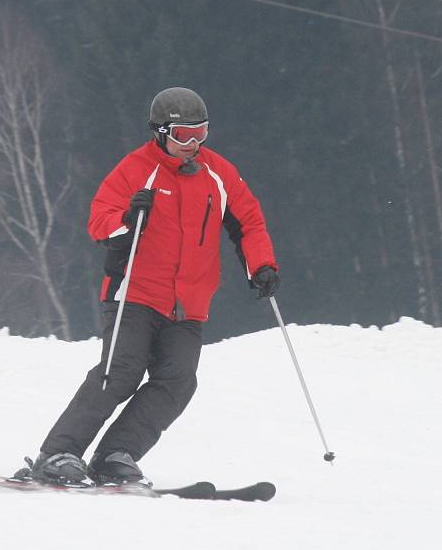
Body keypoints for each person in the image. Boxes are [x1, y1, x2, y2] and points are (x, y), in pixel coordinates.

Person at [29, 87, 280, 486]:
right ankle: (58, 452)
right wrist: (128, 219)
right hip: (135, 293)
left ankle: (116, 454)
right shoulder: (136, 169)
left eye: (201, 133)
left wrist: (261, 264)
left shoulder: (218, 174)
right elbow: (100, 219)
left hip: (188, 304)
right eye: (184, 135)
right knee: (120, 373)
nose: (193, 144)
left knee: (178, 381)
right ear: (162, 132)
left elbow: (248, 221)